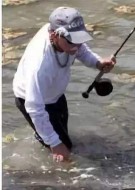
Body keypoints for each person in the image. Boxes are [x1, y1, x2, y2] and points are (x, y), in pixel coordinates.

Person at [12, 7, 116, 162]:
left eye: (80, 39)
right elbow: (34, 107)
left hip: (55, 95)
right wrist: (55, 144)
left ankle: (42, 136)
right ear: (54, 35)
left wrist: (98, 62)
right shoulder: (40, 65)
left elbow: (81, 50)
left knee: (63, 139)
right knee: (65, 151)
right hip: (32, 99)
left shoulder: (68, 41)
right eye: (72, 41)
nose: (76, 46)